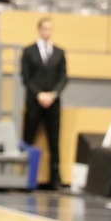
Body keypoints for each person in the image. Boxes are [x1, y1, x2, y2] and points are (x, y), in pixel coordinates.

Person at [21, 17, 68, 191]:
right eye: (45, 29)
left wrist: (52, 94)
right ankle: (25, 178)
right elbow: (26, 77)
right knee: (28, 139)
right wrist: (39, 94)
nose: (47, 32)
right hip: (34, 102)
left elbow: (63, 77)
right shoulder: (28, 51)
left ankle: (55, 178)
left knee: (54, 142)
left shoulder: (59, 53)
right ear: (39, 29)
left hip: (53, 104)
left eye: (50, 29)